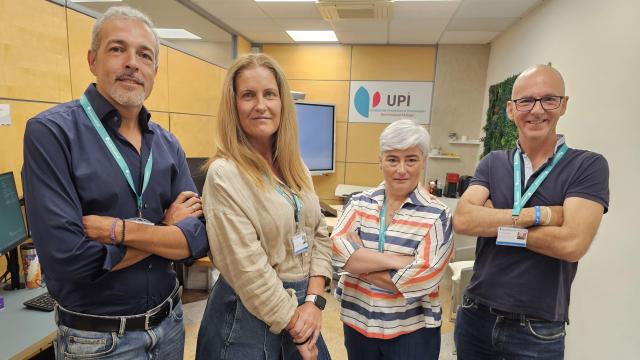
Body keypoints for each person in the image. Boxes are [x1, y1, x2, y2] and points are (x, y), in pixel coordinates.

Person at [21, 6, 208, 359]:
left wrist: (120, 231)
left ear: (154, 70)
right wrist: (166, 230)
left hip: (170, 328)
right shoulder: (52, 134)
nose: (132, 63)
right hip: (98, 342)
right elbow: (69, 263)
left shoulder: (167, 144)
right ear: (93, 60)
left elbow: (197, 241)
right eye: (117, 49)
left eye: (144, 55)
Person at [453, 64, 609, 359]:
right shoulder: (493, 162)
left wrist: (495, 222)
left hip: (537, 329)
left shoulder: (587, 166)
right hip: (476, 316)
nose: (536, 110)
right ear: (511, 110)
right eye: (526, 101)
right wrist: (541, 216)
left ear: (563, 105)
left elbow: (571, 244)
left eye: (548, 99)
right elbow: (463, 220)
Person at [195, 53, 333, 360]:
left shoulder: (297, 168)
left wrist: (313, 302)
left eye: (269, 94)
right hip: (246, 317)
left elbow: (320, 237)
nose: (260, 105)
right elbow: (249, 271)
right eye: (248, 95)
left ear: (283, 102)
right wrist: (298, 324)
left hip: (299, 310)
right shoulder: (225, 174)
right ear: (233, 107)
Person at [331, 119, 453, 360]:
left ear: (423, 162)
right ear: (380, 161)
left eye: (411, 159)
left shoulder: (438, 214)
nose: (401, 169)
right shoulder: (359, 203)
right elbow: (336, 253)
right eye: (392, 159)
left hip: (412, 334)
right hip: (358, 326)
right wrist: (398, 260)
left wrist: (358, 264)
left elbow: (422, 279)